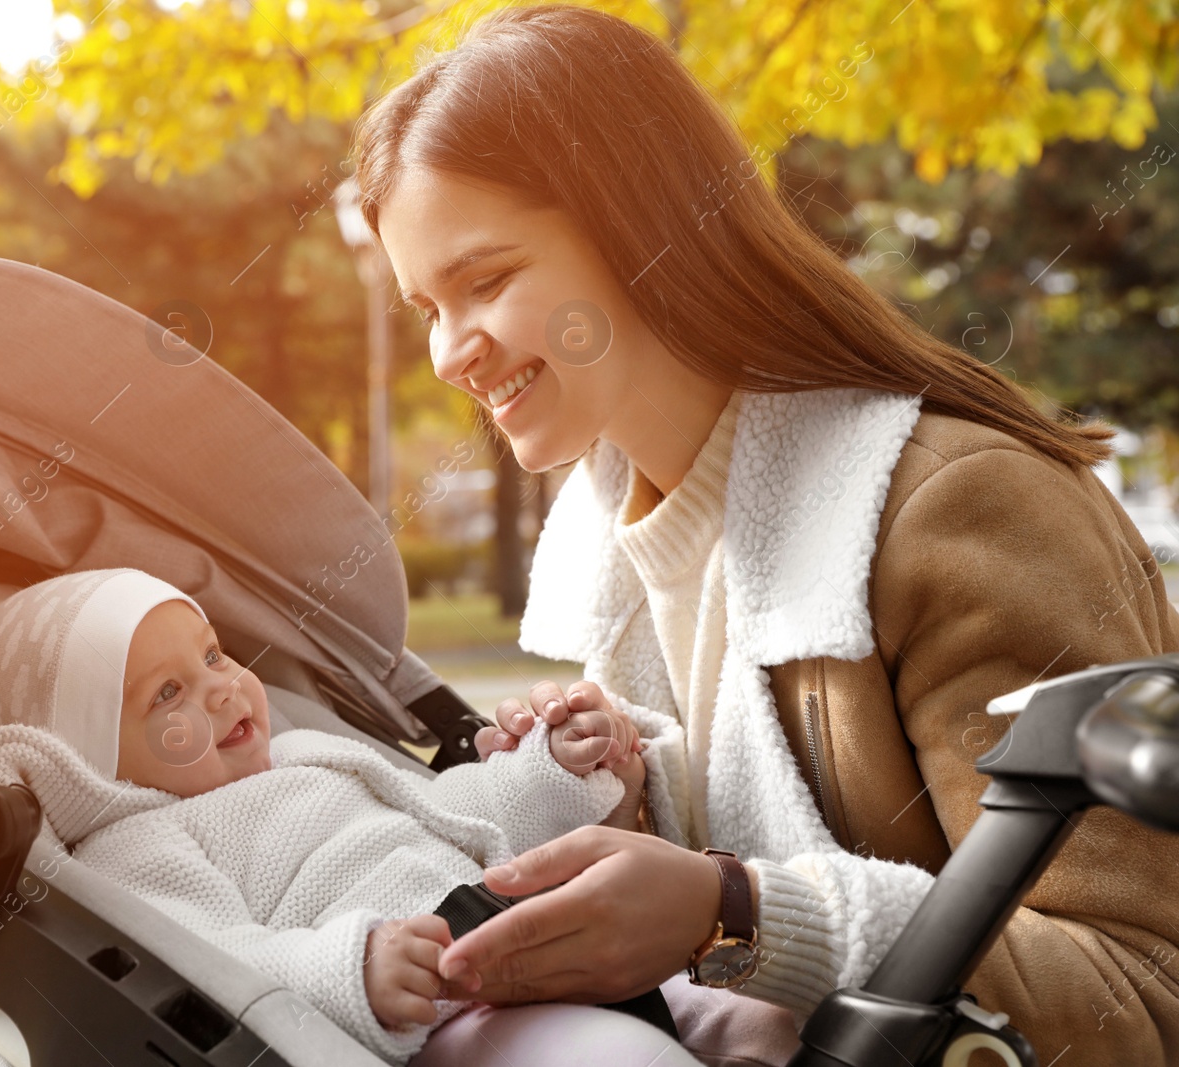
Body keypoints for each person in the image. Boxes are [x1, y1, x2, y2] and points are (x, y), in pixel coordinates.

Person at [348, 4, 1179, 1064]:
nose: (447, 354)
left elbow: (1138, 999)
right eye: (424, 303)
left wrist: (731, 913)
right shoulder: (622, 559)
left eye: (485, 279)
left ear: (639, 231)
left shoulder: (955, 508)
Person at [0, 568, 700, 1066]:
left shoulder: (304, 754)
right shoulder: (138, 846)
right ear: (91, 754)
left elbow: (450, 809)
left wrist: (551, 771)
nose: (224, 688)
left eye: (213, 654)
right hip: (443, 1016)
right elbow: (219, 965)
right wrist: (353, 968)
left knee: (745, 1014)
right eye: (169, 692)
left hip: (532, 943)